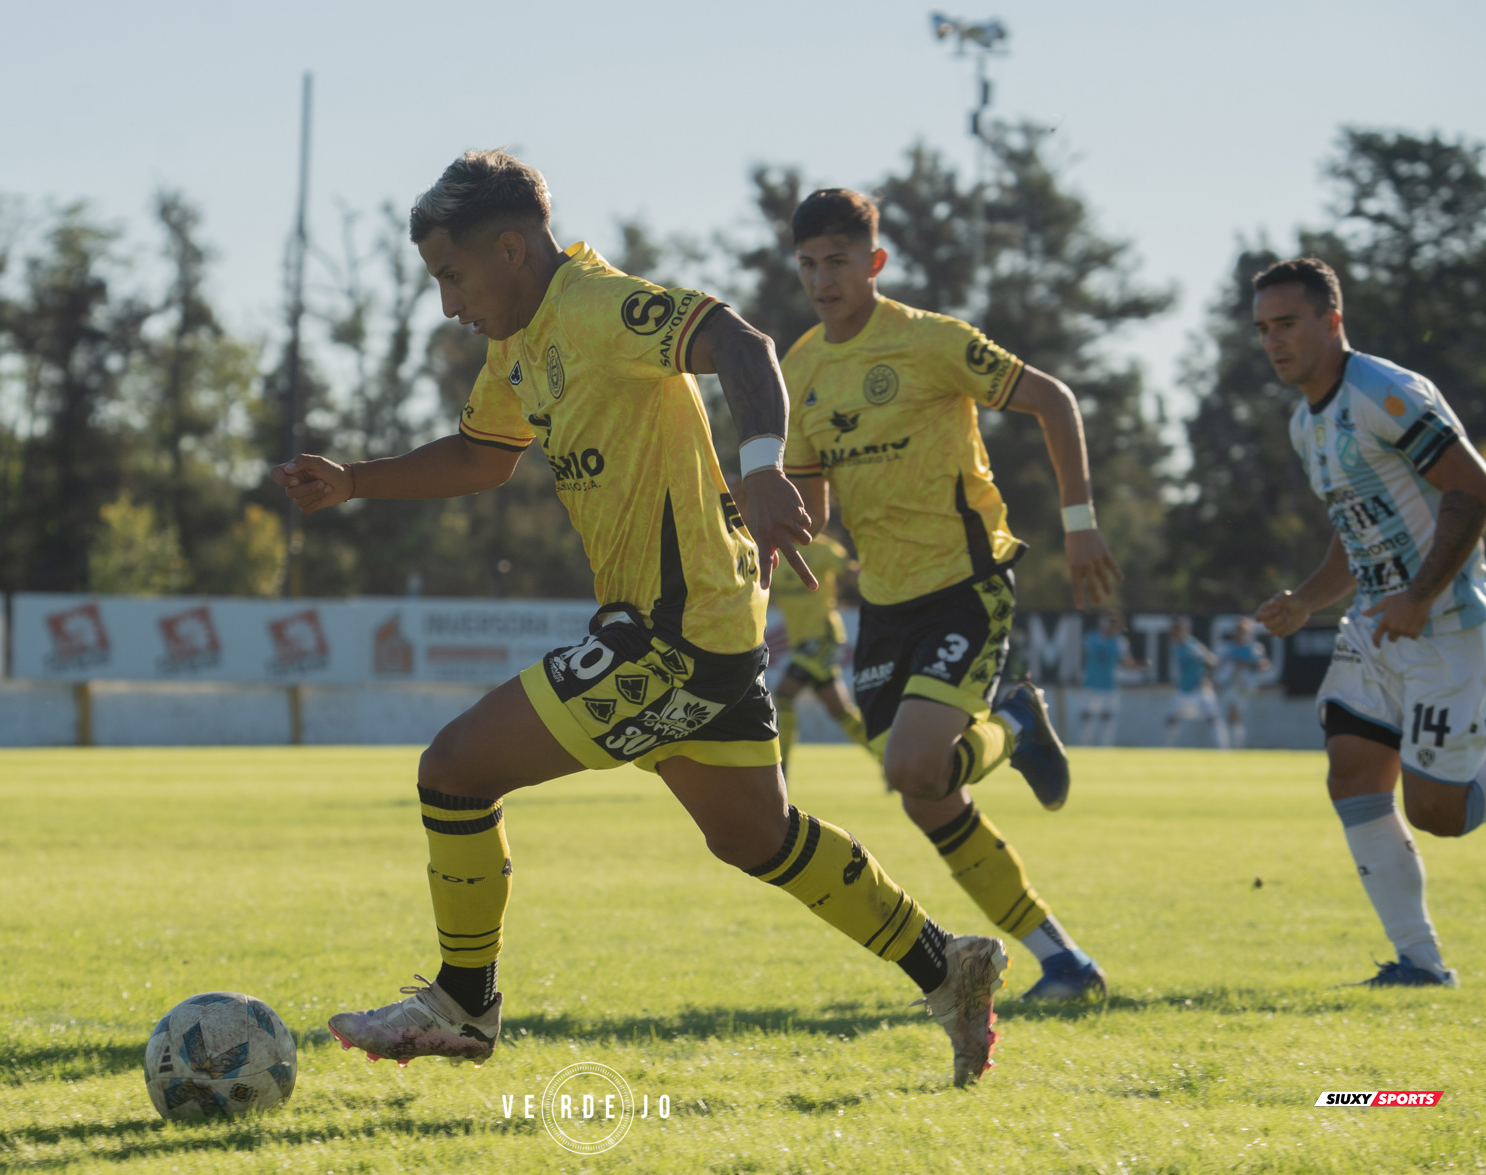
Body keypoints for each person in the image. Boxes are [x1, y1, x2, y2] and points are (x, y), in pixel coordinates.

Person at [273, 151, 1007, 1086]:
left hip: (675, 625)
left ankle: (463, 1003)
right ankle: (949, 966)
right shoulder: (518, 346)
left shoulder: (596, 306)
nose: (450, 303)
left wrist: (760, 463)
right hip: (701, 624)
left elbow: (739, 343)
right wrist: (355, 483)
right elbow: (479, 455)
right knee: (755, 836)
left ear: (510, 249)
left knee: (453, 771)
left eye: (453, 276)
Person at [780, 188, 1118, 1002]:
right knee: (927, 796)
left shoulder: (930, 342)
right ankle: (1063, 961)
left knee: (912, 765)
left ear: (874, 263)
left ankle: (1014, 720)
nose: (823, 280)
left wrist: (1080, 524)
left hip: (968, 584)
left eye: (838, 262)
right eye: (809, 265)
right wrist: (757, 527)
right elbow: (813, 507)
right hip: (884, 604)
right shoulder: (802, 367)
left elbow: (1053, 400)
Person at [1252, 256, 1486, 987]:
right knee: (1352, 771)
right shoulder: (1304, 426)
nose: (1274, 341)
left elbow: (1472, 490)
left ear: (1332, 320)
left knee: (1439, 815)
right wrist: (1307, 599)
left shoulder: (1385, 394)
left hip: (1445, 627)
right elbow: (1357, 532)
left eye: (1288, 324)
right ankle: (1420, 963)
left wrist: (1418, 596)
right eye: (1263, 329)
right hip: (1375, 631)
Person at [768, 530, 872, 777]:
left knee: (783, 696)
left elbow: (852, 575)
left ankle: (781, 770)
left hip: (822, 639)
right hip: (800, 642)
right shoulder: (775, 552)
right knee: (841, 712)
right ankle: (888, 760)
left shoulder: (823, 549)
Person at [1162, 617, 1227, 749]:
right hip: (1184, 688)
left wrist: (1208, 678)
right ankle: (1167, 749)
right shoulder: (1175, 645)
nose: (1174, 633)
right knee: (1171, 719)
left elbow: (1212, 661)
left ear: (1184, 631)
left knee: (1213, 718)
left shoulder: (1193, 646)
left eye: (1177, 630)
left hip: (1200, 688)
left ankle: (1224, 750)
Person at [1214, 617, 1272, 749]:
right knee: (1232, 714)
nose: (1240, 633)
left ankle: (1236, 744)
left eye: (1243, 631)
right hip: (1232, 684)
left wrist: (1244, 664)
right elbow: (1220, 666)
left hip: (1246, 684)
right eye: (1238, 630)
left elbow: (1264, 665)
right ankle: (1236, 744)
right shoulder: (1228, 648)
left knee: (1233, 714)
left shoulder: (1254, 648)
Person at [1079, 611, 1134, 747]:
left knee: (1108, 718)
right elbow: (1080, 657)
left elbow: (1127, 662)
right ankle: (1084, 746)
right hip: (1091, 683)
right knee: (1087, 717)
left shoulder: (1120, 642)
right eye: (1108, 621)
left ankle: (1105, 748)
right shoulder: (1090, 637)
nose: (1110, 625)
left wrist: (1137, 665)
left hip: (1110, 685)